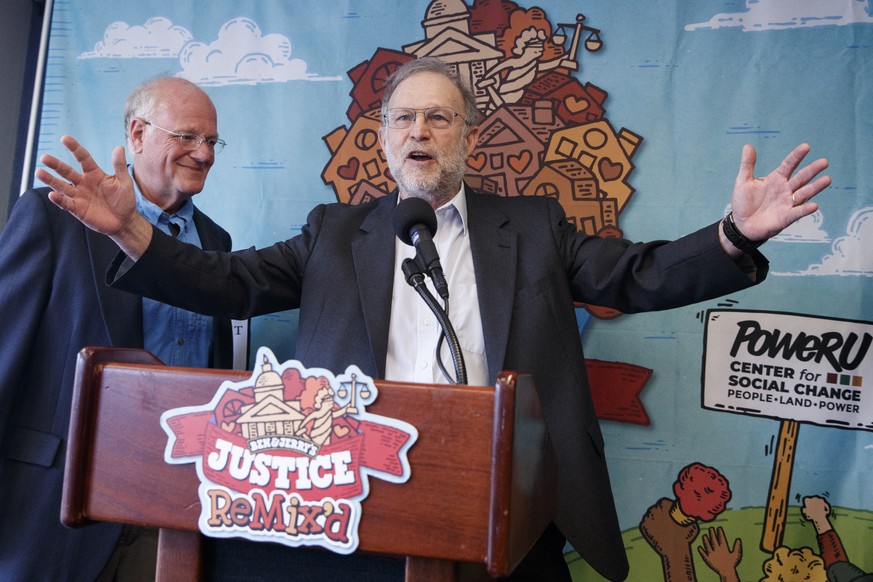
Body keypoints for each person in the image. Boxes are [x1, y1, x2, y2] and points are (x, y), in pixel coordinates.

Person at [36, 57, 831, 581]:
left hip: (506, 512)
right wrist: (132, 231)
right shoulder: (332, 232)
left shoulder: (533, 224)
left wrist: (732, 237)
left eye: (439, 118)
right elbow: (228, 284)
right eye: (404, 118)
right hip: (353, 507)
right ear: (383, 139)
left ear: (466, 136)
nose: (419, 131)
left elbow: (637, 274)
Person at [0, 76, 237, 581]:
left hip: (173, 511)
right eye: (188, 136)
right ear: (137, 134)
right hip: (53, 505)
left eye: (212, 141)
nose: (204, 153)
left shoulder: (217, 242)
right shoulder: (53, 217)